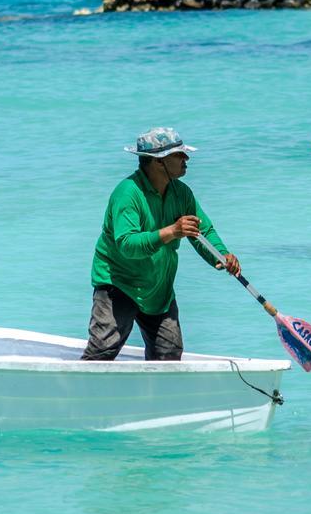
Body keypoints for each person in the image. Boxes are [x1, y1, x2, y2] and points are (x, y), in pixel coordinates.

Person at [81, 127, 240, 362]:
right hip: (119, 283)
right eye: (179, 155)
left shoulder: (181, 193)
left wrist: (221, 256)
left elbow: (203, 230)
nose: (187, 158)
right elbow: (127, 244)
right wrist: (172, 231)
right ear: (158, 162)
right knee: (102, 352)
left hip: (158, 288)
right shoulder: (127, 194)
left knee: (169, 354)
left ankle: (152, 398)